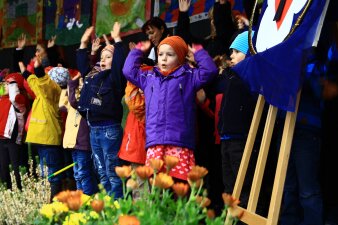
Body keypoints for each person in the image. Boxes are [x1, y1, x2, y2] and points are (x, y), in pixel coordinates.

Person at [123, 36, 218, 181]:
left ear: (180, 57)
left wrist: (199, 53)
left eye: (170, 54)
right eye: (160, 54)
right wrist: (138, 51)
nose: (164, 59)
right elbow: (128, 71)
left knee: (179, 185)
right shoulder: (148, 77)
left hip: (179, 141)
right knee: (156, 184)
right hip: (155, 140)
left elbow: (210, 71)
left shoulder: (189, 76)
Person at [76, 23, 127, 198]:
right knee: (101, 172)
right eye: (102, 57)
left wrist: (118, 41)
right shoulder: (95, 75)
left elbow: (120, 60)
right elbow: (84, 68)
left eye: (108, 57)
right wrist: (83, 44)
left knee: (113, 173)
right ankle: (109, 208)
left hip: (109, 131)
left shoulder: (115, 77)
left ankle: (118, 207)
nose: (103, 60)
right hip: (93, 129)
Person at [217, 31, 257, 209]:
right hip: (226, 139)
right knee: (230, 187)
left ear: (249, 53)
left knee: (246, 187)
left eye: (237, 51)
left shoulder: (251, 78)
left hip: (242, 140)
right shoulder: (231, 76)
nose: (231, 55)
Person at [63, 72, 98, 195]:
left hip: (83, 144)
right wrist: (67, 87)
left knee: (84, 173)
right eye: (81, 83)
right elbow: (62, 104)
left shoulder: (88, 100)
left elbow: (73, 102)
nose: (82, 85)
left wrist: (72, 84)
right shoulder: (77, 96)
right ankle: (81, 198)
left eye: (84, 83)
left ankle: (87, 199)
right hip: (74, 143)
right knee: (78, 174)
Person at [0, 73, 29, 189]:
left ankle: (20, 188)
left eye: (8, 84)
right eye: (4, 84)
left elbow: (14, 97)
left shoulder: (19, 100)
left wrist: (13, 84)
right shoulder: (2, 99)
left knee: (16, 166)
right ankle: (8, 190)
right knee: (3, 165)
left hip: (12, 139)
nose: (4, 86)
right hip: (1, 138)